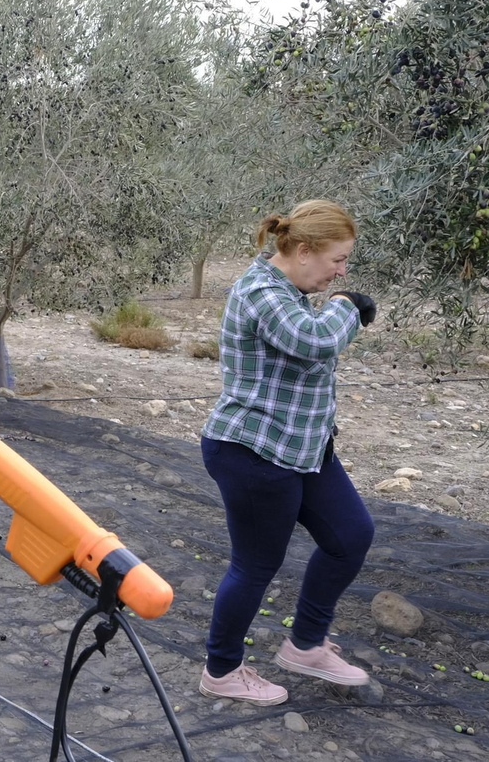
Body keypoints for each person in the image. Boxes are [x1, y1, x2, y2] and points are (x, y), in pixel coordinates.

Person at [197, 199, 379, 706]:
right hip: (253, 450)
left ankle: (305, 646)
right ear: (302, 251)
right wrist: (345, 303)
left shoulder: (291, 291)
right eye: (337, 260)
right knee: (256, 565)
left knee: (350, 536)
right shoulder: (260, 291)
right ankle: (222, 669)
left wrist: (335, 299)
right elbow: (314, 342)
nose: (342, 271)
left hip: (303, 447)